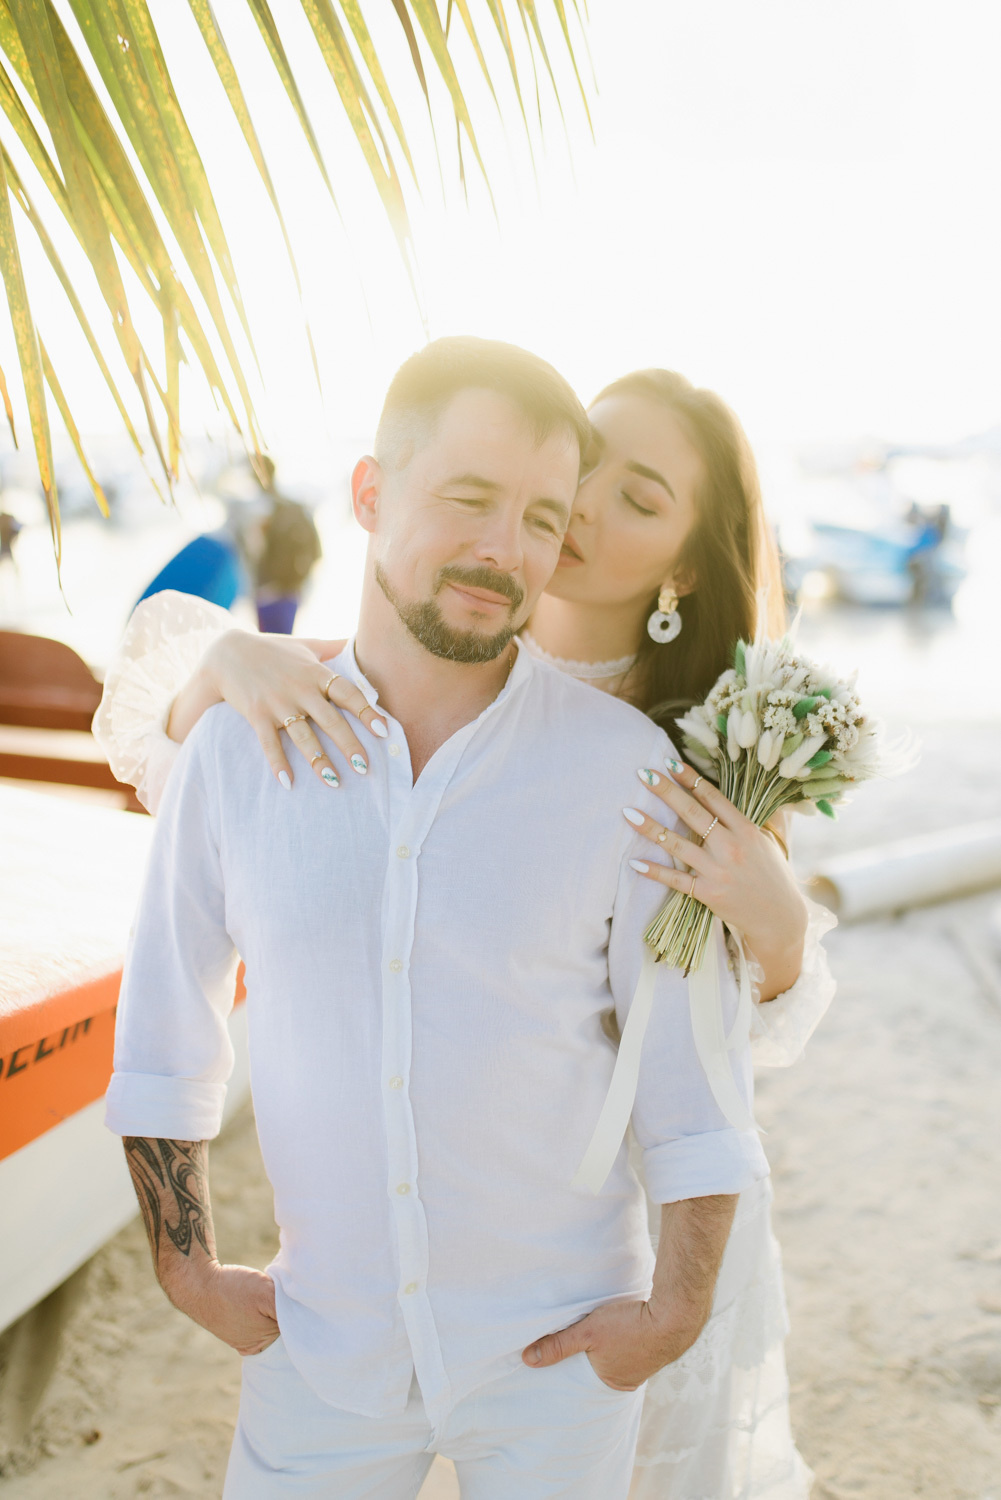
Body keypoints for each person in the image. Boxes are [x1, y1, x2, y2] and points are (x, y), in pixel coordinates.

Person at [96, 356, 836, 1497]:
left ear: (680, 558)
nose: (535, 534)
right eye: (475, 498)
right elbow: (165, 1014)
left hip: (567, 1339)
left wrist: (676, 1308)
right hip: (323, 1350)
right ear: (370, 494)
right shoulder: (254, 732)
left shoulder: (652, 771)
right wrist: (185, 1264)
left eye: (557, 510)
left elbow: (700, 1067)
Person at [251, 455, 323, 635]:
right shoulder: (296, 508)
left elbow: (253, 552)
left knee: (269, 648)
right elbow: (317, 552)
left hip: (268, 593)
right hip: (292, 592)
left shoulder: (261, 509)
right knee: (283, 645)